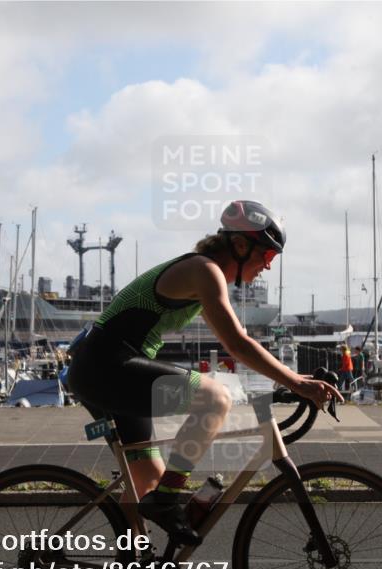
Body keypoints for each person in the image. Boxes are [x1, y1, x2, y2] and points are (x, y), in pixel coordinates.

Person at [67, 200, 342, 545]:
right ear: (241, 246)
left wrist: (287, 382)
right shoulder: (204, 271)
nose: (268, 267)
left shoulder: (204, 274)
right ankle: (167, 502)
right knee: (215, 398)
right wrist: (296, 381)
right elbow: (237, 344)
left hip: (102, 367)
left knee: (144, 483)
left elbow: (237, 342)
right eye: (267, 256)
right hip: (106, 366)